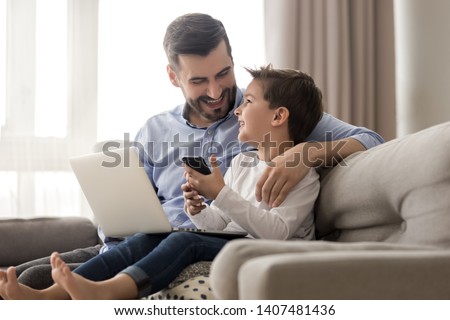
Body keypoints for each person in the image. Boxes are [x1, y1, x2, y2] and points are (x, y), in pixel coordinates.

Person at [11, 12, 384, 291]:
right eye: (199, 80)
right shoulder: (155, 129)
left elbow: (372, 141)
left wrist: (303, 156)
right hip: (139, 244)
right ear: (174, 77)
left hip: (199, 247)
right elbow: (125, 211)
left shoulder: (268, 113)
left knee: (41, 278)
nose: (217, 91)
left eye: (223, 73)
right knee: (30, 277)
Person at [0, 64, 325, 299]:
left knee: (187, 242)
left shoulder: (302, 172)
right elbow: (224, 222)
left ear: (279, 117)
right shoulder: (244, 160)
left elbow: (277, 233)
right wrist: (199, 209)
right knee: (152, 236)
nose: (239, 109)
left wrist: (221, 193)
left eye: (249, 102)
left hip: (267, 250)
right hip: (236, 241)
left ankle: (113, 290)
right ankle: (55, 294)